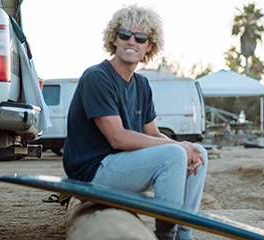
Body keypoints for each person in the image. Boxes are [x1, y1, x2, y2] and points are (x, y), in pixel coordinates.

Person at [62, 5, 207, 240]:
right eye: (124, 35)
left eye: (140, 38)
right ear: (114, 39)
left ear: (149, 46)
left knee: (198, 152)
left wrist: (186, 147)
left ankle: (183, 234)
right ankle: (166, 236)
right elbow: (117, 138)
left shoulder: (142, 85)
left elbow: (153, 133)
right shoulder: (97, 77)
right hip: (92, 171)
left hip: (123, 167)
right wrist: (178, 149)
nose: (132, 41)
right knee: (175, 154)